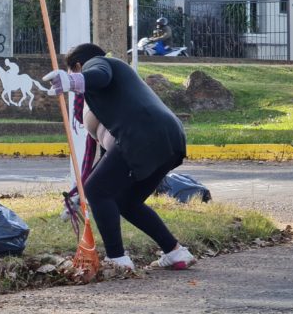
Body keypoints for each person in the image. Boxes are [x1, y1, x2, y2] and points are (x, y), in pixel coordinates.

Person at [43, 43, 196, 271]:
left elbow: (99, 76)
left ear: (78, 65)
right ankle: (175, 252)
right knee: (127, 201)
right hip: (170, 139)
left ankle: (117, 260)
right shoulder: (120, 89)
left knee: (96, 190)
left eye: (73, 71)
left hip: (142, 135)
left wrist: (71, 81)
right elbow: (108, 157)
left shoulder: (101, 63)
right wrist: (81, 191)